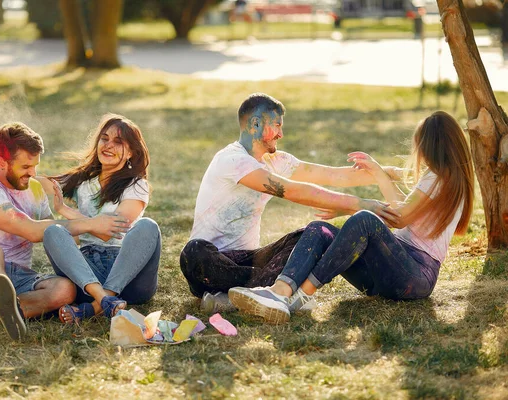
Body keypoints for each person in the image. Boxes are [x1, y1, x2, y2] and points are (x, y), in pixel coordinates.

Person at [230, 111, 474, 324]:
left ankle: (302, 295)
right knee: (318, 229)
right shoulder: (443, 178)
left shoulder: (438, 178)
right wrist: (355, 202)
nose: (417, 152)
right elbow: (402, 213)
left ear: (431, 147)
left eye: (419, 146)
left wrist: (377, 177)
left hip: (415, 276)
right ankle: (280, 291)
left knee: (366, 220)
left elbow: (398, 218)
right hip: (391, 271)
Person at [180, 92, 400, 313]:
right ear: (255, 124)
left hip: (251, 263)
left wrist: (391, 173)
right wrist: (359, 204)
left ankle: (233, 299)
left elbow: (334, 176)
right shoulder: (232, 160)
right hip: (212, 263)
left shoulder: (277, 161)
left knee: (310, 236)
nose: (281, 134)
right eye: (276, 125)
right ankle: (259, 293)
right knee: (193, 251)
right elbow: (294, 191)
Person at [0, 122, 124, 340]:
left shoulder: (33, 189)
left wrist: (72, 216)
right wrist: (92, 224)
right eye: (25, 167)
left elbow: (56, 234)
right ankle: (3, 302)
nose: (33, 173)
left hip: (20, 278)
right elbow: (31, 230)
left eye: (35, 166)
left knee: (66, 289)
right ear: (2, 162)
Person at [41, 114, 161, 324]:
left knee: (148, 226)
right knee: (52, 232)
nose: (108, 145)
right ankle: (105, 300)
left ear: (131, 152)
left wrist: (67, 212)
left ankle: (94, 307)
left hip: (129, 276)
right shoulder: (83, 182)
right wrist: (14, 174)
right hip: (87, 274)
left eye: (118, 142)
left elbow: (109, 231)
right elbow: (44, 183)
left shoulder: (136, 185)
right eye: (104, 138)